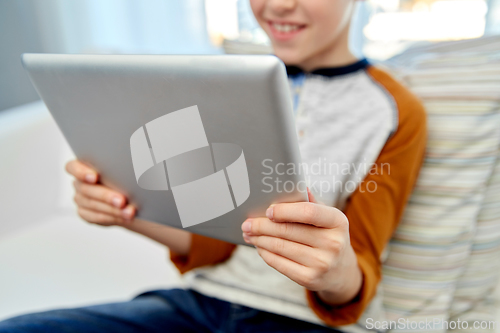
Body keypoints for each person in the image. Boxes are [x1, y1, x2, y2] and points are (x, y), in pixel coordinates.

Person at [0, 0, 426, 332]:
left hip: (305, 323)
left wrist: (335, 271)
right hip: (197, 306)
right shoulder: (226, 81)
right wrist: (120, 208)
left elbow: (360, 270)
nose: (276, 6)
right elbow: (215, 240)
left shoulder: (392, 111)